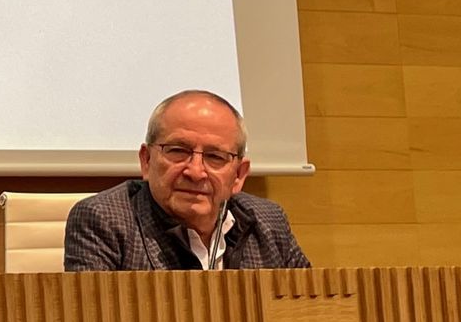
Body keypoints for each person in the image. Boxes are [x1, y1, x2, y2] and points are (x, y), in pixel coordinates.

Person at [64, 89, 310, 272]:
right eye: (178, 151)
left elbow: (309, 314)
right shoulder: (103, 221)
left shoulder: (269, 222)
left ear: (238, 175)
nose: (195, 171)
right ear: (146, 160)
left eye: (215, 157)